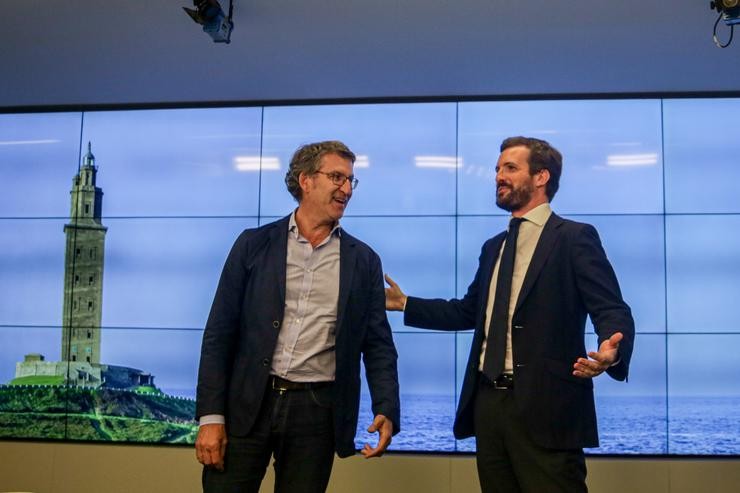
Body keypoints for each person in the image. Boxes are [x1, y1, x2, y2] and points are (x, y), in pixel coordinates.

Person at [385, 136, 634, 493]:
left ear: (541, 177)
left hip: (547, 407)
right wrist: (406, 303)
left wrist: (611, 350)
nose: (499, 176)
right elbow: (468, 311)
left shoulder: (574, 238)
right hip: (489, 406)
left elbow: (610, 307)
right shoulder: (493, 248)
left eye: (510, 168)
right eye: (498, 169)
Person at [195, 140, 400, 493]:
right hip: (248, 405)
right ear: (305, 181)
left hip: (316, 412)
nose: (346, 189)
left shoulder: (364, 261)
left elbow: (378, 343)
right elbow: (219, 333)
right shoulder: (252, 244)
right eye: (337, 177)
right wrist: (211, 417)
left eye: (351, 181)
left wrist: (387, 408)